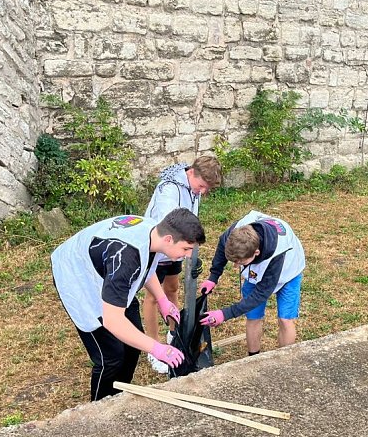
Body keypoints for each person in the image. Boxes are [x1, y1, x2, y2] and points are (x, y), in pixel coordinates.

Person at [51, 208, 206, 401]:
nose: (189, 255)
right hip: (76, 277)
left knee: (132, 346)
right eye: (186, 249)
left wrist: (163, 300)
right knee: (111, 357)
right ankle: (99, 407)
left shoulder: (155, 232)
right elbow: (113, 321)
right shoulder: (125, 260)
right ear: (169, 239)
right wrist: (157, 348)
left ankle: (118, 396)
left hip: (108, 272)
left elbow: (147, 267)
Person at [143, 156, 222, 373]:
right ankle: (154, 347)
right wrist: (182, 252)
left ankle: (173, 332)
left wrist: (190, 253)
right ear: (192, 173)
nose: (203, 192)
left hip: (177, 250)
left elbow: (190, 223)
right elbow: (166, 229)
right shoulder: (169, 190)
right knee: (152, 297)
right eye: (202, 186)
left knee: (172, 289)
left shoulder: (193, 188)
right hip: (160, 250)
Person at [199, 211, 305, 355]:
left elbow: (260, 294)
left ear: (256, 252)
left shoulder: (278, 252)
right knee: (253, 316)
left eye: (240, 262)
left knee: (285, 319)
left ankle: (285, 361)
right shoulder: (236, 232)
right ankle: (253, 358)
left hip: (289, 272)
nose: (236, 267)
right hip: (257, 271)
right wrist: (213, 276)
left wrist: (225, 314)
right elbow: (222, 245)